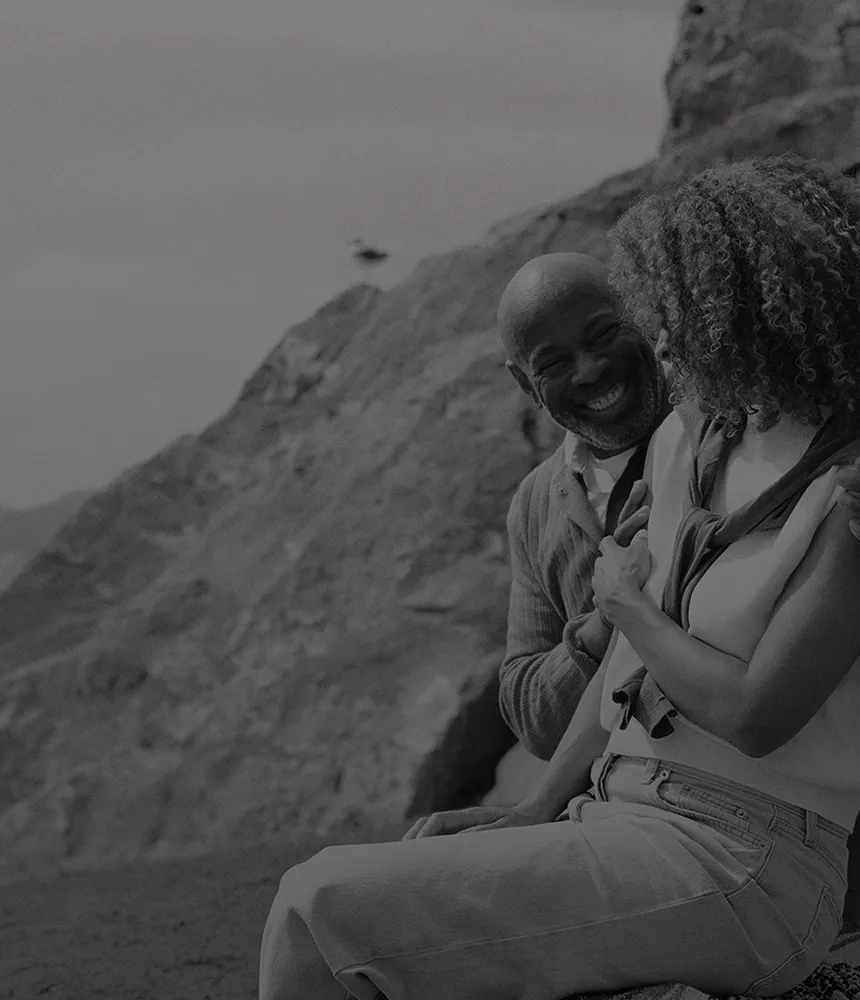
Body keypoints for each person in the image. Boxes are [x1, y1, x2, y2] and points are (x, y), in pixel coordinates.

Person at [259, 155, 860, 1000]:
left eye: (674, 308)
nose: (662, 337)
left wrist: (626, 606)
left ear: (756, 307)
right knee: (379, 903)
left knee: (315, 907)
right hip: (626, 808)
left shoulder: (848, 490)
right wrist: (532, 809)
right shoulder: (698, 434)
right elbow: (619, 674)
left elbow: (758, 715)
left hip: (753, 858)